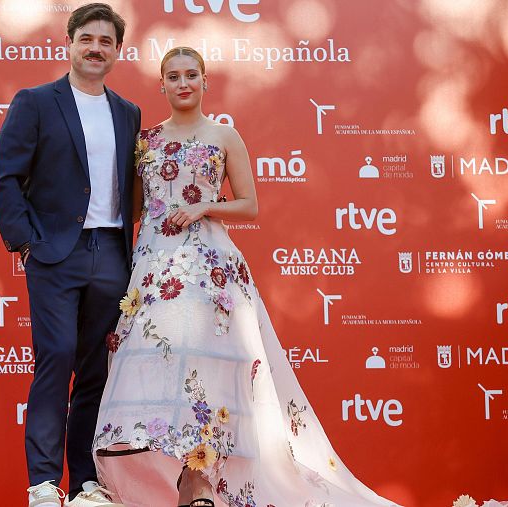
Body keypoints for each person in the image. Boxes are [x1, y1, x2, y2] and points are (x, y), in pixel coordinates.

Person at [92, 47, 400, 507]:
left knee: (210, 371)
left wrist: (203, 206)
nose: (183, 83)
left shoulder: (224, 136)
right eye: (173, 76)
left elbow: (249, 206)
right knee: (164, 368)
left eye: (191, 74)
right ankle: (183, 475)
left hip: (211, 268)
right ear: (161, 84)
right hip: (155, 270)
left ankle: (199, 480)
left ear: (205, 80)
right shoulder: (147, 140)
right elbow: (133, 210)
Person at [0, 3, 139, 506]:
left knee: (95, 370)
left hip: (113, 253)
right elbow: (5, 178)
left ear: (117, 51)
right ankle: (43, 484)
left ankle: (86, 485)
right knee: (55, 360)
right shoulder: (34, 102)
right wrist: (26, 240)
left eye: (106, 41)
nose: (96, 48)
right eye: (87, 39)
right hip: (57, 253)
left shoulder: (128, 112)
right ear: (70, 43)